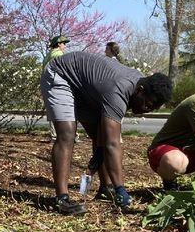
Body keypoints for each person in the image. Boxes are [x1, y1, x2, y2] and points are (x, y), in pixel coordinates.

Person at [41, 51, 173, 215]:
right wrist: (121, 188)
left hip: (84, 87)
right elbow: (112, 143)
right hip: (61, 74)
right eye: (148, 104)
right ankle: (62, 199)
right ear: (140, 91)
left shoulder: (139, 84)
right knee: (67, 134)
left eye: (153, 108)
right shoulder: (119, 90)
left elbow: (106, 138)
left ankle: (106, 188)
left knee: (100, 134)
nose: (147, 110)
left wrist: (102, 156)